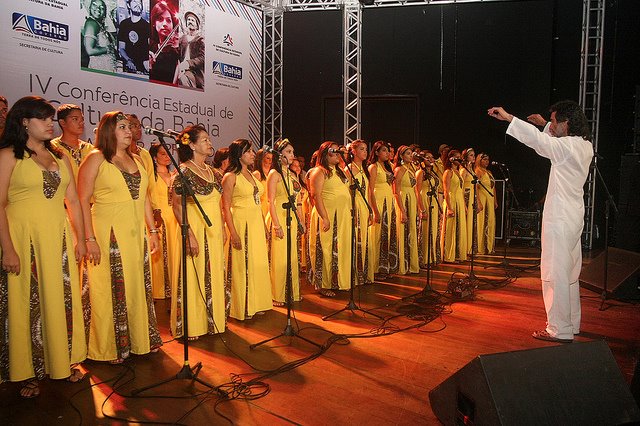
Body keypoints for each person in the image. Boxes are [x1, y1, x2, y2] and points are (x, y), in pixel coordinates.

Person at [0, 96, 87, 398]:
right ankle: (26, 372)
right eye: (42, 118)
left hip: (58, 238)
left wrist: (82, 238)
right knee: (27, 303)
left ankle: (62, 361)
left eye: (51, 118)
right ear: (24, 121)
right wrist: (8, 249)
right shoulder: (9, 155)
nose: (50, 123)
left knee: (61, 300)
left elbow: (74, 201)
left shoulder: (61, 155)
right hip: (23, 238)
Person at [488, 101, 593, 343]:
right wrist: (545, 124)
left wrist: (510, 118)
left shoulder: (566, 147)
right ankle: (571, 322)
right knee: (569, 272)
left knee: (554, 271)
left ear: (566, 123)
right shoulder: (584, 145)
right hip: (574, 215)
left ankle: (559, 328)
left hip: (560, 217)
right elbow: (554, 141)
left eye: (556, 122)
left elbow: (540, 142)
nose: (553, 125)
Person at [77, 111, 162, 363]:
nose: (129, 130)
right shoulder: (96, 158)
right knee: (108, 289)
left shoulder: (137, 159)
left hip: (135, 234)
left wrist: (153, 231)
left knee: (136, 286)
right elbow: (81, 199)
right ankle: (109, 347)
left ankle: (138, 340)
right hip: (107, 232)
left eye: (130, 126)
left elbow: (144, 197)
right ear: (108, 131)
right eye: (122, 126)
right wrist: (89, 238)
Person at [170, 126, 227, 338]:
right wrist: (190, 234)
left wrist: (222, 225)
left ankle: (213, 321)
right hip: (193, 227)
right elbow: (177, 206)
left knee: (213, 273)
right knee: (193, 275)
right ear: (192, 145)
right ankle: (193, 325)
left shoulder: (214, 172)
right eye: (204, 139)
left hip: (213, 230)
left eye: (209, 138)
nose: (209, 142)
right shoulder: (183, 172)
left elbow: (220, 204)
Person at [221, 139, 272, 320]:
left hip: (256, 222)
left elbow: (257, 203)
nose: (252, 154)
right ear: (238, 155)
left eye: (251, 151)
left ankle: (256, 302)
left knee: (257, 263)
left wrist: (263, 225)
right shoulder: (230, 177)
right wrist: (233, 232)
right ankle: (241, 306)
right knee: (242, 265)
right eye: (248, 151)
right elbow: (225, 207)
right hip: (241, 222)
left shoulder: (253, 175)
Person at [308, 141, 352, 296]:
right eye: (336, 151)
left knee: (340, 248)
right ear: (326, 153)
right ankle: (324, 284)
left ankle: (338, 280)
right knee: (325, 249)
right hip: (327, 214)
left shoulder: (340, 171)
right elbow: (315, 195)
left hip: (342, 215)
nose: (339, 154)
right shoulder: (319, 171)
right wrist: (324, 217)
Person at [266, 139, 303, 306]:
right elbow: (270, 201)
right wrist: (276, 224)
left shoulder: (291, 174)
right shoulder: (275, 174)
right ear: (279, 155)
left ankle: (292, 292)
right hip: (279, 216)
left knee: (292, 257)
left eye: (292, 152)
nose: (292, 155)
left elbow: (298, 199)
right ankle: (277, 294)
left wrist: (301, 220)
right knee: (280, 258)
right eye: (288, 152)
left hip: (291, 217)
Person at [148, 143, 178, 299]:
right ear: (154, 157)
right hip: (159, 218)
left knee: (174, 253)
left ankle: (173, 287)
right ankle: (158, 291)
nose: (167, 157)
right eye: (162, 154)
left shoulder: (174, 174)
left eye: (168, 154)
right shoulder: (151, 176)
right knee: (159, 255)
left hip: (174, 218)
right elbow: (150, 198)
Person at [367, 140, 398, 278]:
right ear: (377, 152)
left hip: (388, 201)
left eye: (388, 150)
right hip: (379, 201)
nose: (387, 153)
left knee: (388, 235)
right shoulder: (373, 167)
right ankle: (375, 269)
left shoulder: (388, 166)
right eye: (384, 150)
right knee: (378, 236)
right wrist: (374, 210)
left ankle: (386, 266)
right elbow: (370, 190)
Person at [346, 140, 374, 284]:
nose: (365, 152)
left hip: (364, 206)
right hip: (355, 206)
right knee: (356, 239)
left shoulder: (364, 169)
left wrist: (370, 209)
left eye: (366, 149)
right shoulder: (349, 169)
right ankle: (354, 275)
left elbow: (368, 191)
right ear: (354, 151)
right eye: (362, 149)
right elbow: (347, 192)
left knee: (364, 240)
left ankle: (363, 273)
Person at [393, 145, 420, 274]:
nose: (411, 156)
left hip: (411, 200)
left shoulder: (412, 168)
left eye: (411, 153)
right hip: (403, 200)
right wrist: (402, 210)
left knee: (411, 231)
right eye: (408, 154)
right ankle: (402, 265)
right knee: (403, 232)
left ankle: (411, 264)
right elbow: (396, 191)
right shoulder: (400, 169)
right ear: (402, 156)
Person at [51, 104, 94, 180]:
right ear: (62, 122)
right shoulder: (53, 147)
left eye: (82, 119)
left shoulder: (90, 149)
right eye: (75, 119)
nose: (81, 123)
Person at [441, 149, 467, 263]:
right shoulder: (448, 172)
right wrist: (450, 207)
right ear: (451, 159)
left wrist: (464, 206)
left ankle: (457, 254)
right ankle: (448, 255)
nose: (460, 159)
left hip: (459, 201)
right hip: (451, 200)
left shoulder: (458, 171)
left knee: (458, 227)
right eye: (457, 157)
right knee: (450, 229)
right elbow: (446, 191)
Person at [416, 150, 440, 266]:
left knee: (433, 230)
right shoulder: (420, 173)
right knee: (425, 231)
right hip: (425, 200)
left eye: (432, 157)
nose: (431, 159)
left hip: (433, 202)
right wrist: (422, 209)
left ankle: (431, 257)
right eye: (427, 157)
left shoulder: (433, 173)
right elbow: (417, 191)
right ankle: (424, 259)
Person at [149, 1, 179, 84]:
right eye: (160, 19)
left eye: (169, 20)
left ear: (173, 25)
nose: (165, 24)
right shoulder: (149, 47)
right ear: (154, 23)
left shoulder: (178, 52)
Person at [82, 0, 117, 73]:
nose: (98, 9)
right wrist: (108, 49)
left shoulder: (98, 24)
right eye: (94, 5)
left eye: (102, 7)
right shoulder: (91, 23)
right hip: (100, 68)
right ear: (89, 7)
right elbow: (90, 50)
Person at [118, 0, 149, 75]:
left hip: (143, 69)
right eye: (135, 1)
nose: (138, 4)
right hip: (128, 67)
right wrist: (128, 60)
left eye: (139, 3)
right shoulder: (124, 24)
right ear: (128, 5)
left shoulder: (147, 26)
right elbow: (121, 48)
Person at [474, 153, 498, 254]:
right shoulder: (477, 171)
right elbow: (476, 187)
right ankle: (481, 247)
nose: (487, 162)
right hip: (483, 198)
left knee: (490, 221)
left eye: (488, 160)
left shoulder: (489, 172)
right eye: (484, 159)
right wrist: (478, 201)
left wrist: (495, 200)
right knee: (482, 221)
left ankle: (489, 246)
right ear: (479, 160)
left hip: (490, 198)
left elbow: (493, 187)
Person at [177, 11, 205, 89]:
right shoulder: (181, 39)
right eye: (188, 20)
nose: (190, 21)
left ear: (197, 26)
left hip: (194, 72)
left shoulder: (200, 40)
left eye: (192, 20)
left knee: (183, 79)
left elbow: (203, 58)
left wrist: (188, 63)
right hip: (180, 68)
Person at [460, 148, 478, 255]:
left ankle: (470, 247)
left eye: (474, 155)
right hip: (466, 197)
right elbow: (460, 187)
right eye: (471, 155)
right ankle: (465, 248)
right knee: (466, 222)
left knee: (471, 222)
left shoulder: (471, 170)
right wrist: (463, 204)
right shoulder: (463, 170)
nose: (473, 157)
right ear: (466, 157)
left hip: (472, 197)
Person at [253, 148, 273, 218]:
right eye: (268, 158)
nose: (270, 161)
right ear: (260, 159)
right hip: (260, 212)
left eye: (271, 158)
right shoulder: (257, 174)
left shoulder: (271, 175)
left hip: (270, 212)